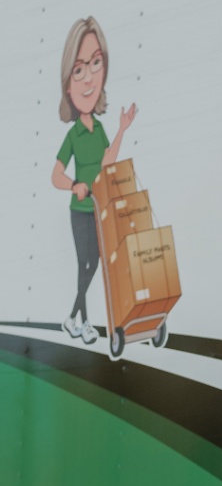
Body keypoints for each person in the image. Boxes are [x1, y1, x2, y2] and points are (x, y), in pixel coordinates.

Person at [51, 17, 136, 345]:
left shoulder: (98, 129)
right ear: (68, 85)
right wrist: (74, 185)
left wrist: (122, 129)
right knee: (84, 265)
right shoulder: (73, 135)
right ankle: (84, 322)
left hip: (99, 207)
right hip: (80, 209)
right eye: (78, 70)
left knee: (96, 263)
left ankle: (72, 318)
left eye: (95, 64)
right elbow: (55, 174)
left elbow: (106, 162)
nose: (88, 79)